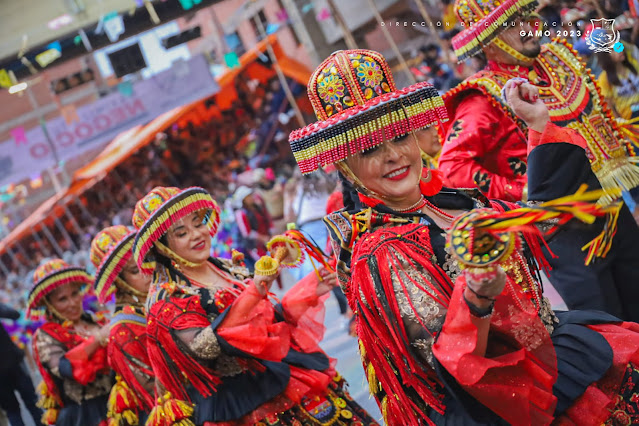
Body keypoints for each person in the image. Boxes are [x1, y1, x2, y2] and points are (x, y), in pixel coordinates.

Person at [288, 48, 639, 426]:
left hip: (558, 361)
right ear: (345, 166)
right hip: (515, 402)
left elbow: (547, 219)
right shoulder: (382, 252)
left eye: (400, 137)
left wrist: (537, 125)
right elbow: (448, 358)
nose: (393, 156)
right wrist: (476, 297)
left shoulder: (454, 202)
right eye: (371, 149)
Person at [435, 0, 639, 321]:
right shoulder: (483, 98)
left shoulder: (559, 60)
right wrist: (524, 191)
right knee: (611, 327)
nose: (528, 26)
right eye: (511, 24)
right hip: (565, 233)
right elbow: (452, 169)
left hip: (614, 209)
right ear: (489, 43)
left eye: (527, 16)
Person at [130, 186, 378, 425]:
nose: (197, 234)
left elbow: (268, 317)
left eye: (197, 223)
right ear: (161, 247)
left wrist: (309, 288)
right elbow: (204, 347)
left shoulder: (224, 266)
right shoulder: (168, 299)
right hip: (248, 406)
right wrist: (255, 291)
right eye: (181, 233)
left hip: (289, 376)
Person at [28, 258, 112, 426]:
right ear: (48, 304)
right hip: (84, 416)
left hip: (118, 402)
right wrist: (99, 338)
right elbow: (65, 367)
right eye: (62, 299)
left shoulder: (94, 320)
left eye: (75, 294)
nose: (73, 303)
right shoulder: (45, 336)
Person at [90, 225, 154, 425]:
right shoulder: (123, 330)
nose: (147, 271)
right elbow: (152, 389)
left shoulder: (160, 293)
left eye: (147, 260)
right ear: (118, 281)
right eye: (135, 270)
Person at [0, 303, 42, 426]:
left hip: (11, 366)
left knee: (13, 411)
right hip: (14, 364)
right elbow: (14, 314)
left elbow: (14, 315)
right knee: (32, 404)